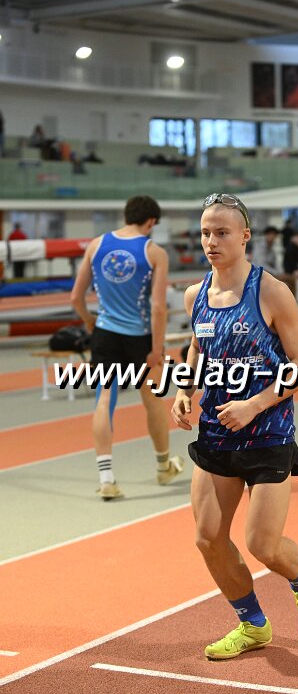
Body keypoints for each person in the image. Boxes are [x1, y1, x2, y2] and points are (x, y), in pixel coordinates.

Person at [171, 192, 298, 660]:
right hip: (217, 434)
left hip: (267, 434)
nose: (211, 242)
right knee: (207, 538)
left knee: (263, 544)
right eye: (205, 233)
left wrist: (255, 404)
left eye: (221, 233)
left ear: (245, 236)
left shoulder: (271, 292)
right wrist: (184, 390)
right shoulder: (195, 295)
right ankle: (253, 624)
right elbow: (198, 347)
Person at [71, 194, 184, 501]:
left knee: (104, 400)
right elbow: (158, 307)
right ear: (151, 221)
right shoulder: (154, 252)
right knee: (152, 400)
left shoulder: (96, 245)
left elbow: (76, 297)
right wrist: (157, 348)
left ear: (126, 216)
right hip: (139, 337)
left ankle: (106, 478)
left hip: (105, 333)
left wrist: (89, 321)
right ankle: (163, 466)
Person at [252, 225, 296, 295]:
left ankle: (292, 300)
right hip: (259, 273)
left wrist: (280, 272)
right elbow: (261, 264)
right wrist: (276, 273)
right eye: (269, 234)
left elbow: (275, 264)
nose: (272, 237)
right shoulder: (260, 246)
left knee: (291, 279)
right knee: (286, 282)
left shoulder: (272, 248)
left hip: (269, 273)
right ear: (265, 235)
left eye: (274, 235)